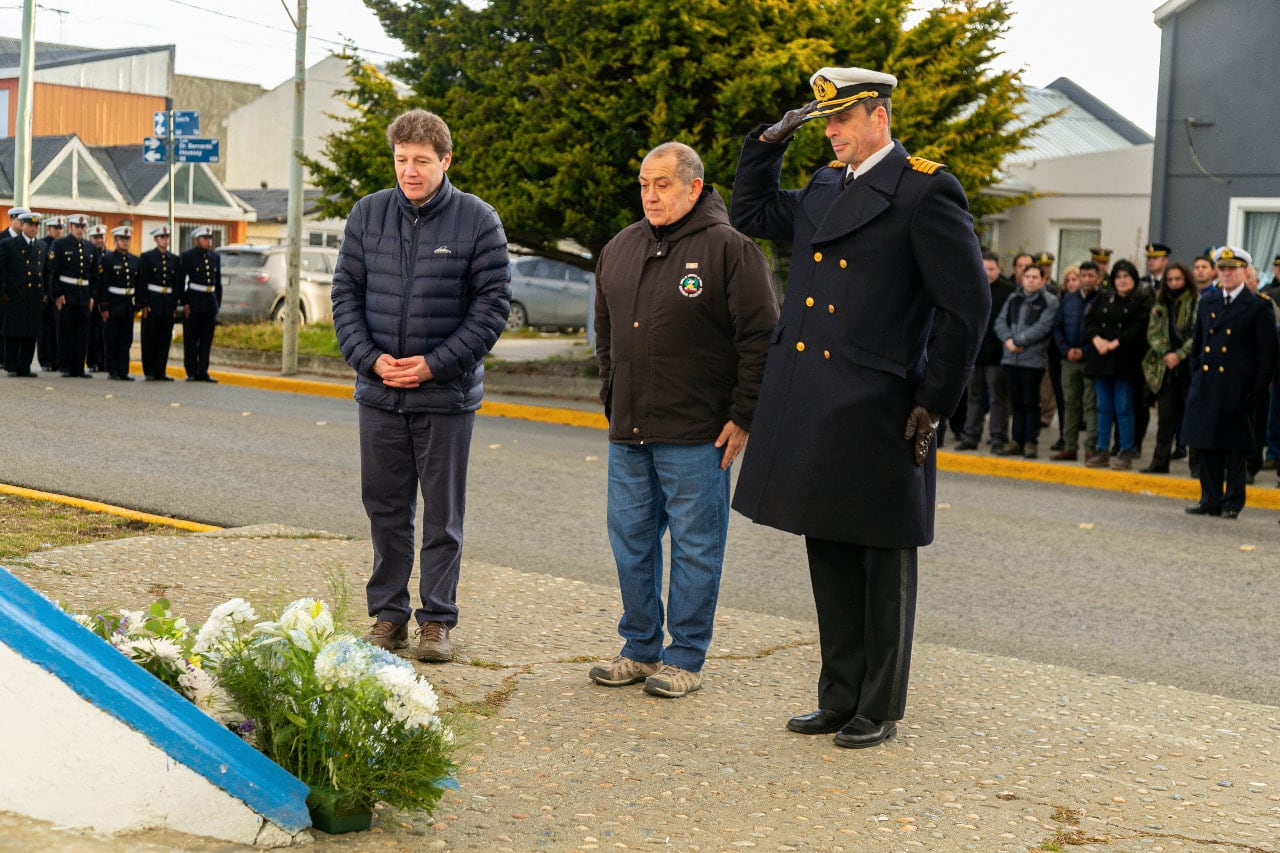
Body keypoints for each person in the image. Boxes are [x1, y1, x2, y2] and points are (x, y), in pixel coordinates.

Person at [729, 66, 989, 749]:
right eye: (824, 122)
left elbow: (966, 308)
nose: (832, 133)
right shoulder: (822, 186)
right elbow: (749, 214)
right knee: (830, 551)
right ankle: (838, 695)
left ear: (878, 115)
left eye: (841, 120)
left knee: (882, 561)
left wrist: (934, 400)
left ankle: (878, 704)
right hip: (817, 400)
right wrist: (767, 143)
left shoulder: (926, 189)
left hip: (880, 401)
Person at [587, 142, 778, 699]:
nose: (651, 195)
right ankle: (640, 649)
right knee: (631, 544)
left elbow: (761, 340)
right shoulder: (620, 248)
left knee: (696, 548)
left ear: (694, 188)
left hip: (698, 435)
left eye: (663, 184)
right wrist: (611, 395)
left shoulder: (731, 250)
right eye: (645, 184)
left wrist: (743, 416)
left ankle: (685, 657)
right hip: (629, 432)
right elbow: (605, 333)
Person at [331, 109, 510, 663]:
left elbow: (491, 310)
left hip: (446, 396)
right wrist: (370, 361)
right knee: (385, 509)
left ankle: (436, 620)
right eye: (402, 160)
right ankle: (388, 615)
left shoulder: (479, 222)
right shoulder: (367, 215)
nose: (410, 171)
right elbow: (345, 296)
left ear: (445, 161)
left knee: (442, 514)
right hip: (379, 393)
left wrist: (433, 365)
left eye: (422, 161)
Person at [1183, 246, 1279, 518]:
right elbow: (1198, 346)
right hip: (1208, 385)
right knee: (1206, 444)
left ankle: (1232, 502)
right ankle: (1209, 499)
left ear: (1244, 271)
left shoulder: (1257, 306)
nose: (1226, 274)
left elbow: (1267, 355)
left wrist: (1256, 391)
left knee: (1235, 448)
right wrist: (1197, 379)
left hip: (1238, 388)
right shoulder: (1208, 302)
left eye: (1232, 269)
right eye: (1222, 269)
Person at [1084, 259, 1152, 470]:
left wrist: (1113, 343)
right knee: (1103, 407)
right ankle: (1102, 449)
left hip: (1126, 361)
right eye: (1118, 277)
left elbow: (1138, 329)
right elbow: (1090, 321)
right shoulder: (1104, 297)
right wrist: (1097, 340)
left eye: (1127, 277)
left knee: (1123, 407)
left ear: (1134, 279)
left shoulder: (1141, 301)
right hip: (1101, 359)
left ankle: (1125, 451)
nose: (1122, 281)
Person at [994, 265, 1058, 458]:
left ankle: (1031, 442)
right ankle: (1016, 440)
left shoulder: (1049, 301)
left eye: (1034, 277)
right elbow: (1000, 322)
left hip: (1032, 361)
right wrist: (1008, 340)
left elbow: (1043, 327)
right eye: (1027, 276)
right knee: (1016, 402)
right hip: (1010, 358)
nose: (1030, 280)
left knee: (1030, 402)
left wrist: (1018, 341)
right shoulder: (1015, 298)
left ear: (1043, 280)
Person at [1139, 261, 1197, 473]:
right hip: (1166, 367)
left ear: (1186, 280)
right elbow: (1153, 333)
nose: (1174, 283)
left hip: (1188, 367)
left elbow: (1197, 335)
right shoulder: (1160, 303)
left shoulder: (1195, 302)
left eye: (1178, 279)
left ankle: (1196, 466)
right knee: (1165, 418)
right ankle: (1159, 462)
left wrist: (1180, 354)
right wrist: (1167, 353)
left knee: (1192, 417)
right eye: (1170, 279)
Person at [959, 250, 1014, 451]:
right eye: (984, 269)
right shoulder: (972, 288)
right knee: (973, 396)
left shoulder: (1009, 290)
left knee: (997, 398)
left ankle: (998, 437)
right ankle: (971, 436)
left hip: (998, 355)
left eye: (991, 269)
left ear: (999, 269)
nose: (987, 273)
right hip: (974, 354)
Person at [48, 213, 95, 378]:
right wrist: (58, 294)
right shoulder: (60, 244)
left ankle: (78, 368)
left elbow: (94, 275)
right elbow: (53, 272)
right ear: (70, 227)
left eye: (83, 227)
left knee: (82, 333)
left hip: (83, 295)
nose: (80, 230)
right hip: (67, 294)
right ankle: (65, 366)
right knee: (66, 331)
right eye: (77, 227)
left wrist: (92, 296)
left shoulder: (90, 247)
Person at [1, 211, 46, 377]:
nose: (33, 228)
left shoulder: (41, 246)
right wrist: (3, 291)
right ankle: (11, 366)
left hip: (34, 296)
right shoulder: (9, 244)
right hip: (15, 294)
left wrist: (45, 293)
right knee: (13, 331)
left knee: (31, 331)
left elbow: (45, 272)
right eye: (30, 225)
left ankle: (24, 367)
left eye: (36, 225)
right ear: (22, 225)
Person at [93, 225, 140, 381]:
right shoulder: (107, 260)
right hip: (113, 304)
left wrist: (136, 305)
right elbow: (103, 285)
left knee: (126, 339)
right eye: (122, 239)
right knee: (111, 338)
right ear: (115, 241)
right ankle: (112, 370)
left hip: (127, 304)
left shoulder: (134, 260)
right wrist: (104, 307)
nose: (125, 242)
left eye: (127, 239)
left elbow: (137, 284)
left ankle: (123, 371)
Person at [138, 225, 183, 381]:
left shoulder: (175, 260)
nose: (165, 240)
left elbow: (177, 284)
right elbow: (142, 282)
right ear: (156, 239)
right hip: (152, 301)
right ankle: (149, 370)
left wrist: (174, 305)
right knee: (150, 337)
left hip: (167, 302)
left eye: (167, 237)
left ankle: (160, 371)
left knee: (164, 338)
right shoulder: (146, 257)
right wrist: (143, 303)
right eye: (162, 237)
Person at [181, 225, 221, 383]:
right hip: (194, 300)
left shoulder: (215, 257)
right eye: (205, 238)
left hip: (209, 302)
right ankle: (191, 371)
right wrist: (184, 302)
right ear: (197, 240)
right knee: (191, 339)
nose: (208, 241)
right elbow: (182, 281)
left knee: (206, 339)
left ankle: (203, 371)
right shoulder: (188, 256)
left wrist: (217, 303)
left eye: (210, 238)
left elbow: (218, 282)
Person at [36, 215, 63, 371]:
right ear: (48, 229)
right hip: (46, 292)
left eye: (60, 228)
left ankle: (57, 360)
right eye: (55, 228)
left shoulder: (62, 245)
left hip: (58, 291)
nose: (59, 231)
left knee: (58, 328)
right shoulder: (43, 244)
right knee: (45, 329)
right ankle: (45, 360)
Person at [86, 224, 107, 373]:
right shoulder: (87, 255)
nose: (99, 240)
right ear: (90, 238)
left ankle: (105, 362)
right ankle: (93, 362)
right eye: (95, 237)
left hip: (107, 300)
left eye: (101, 237)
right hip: (92, 298)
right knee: (92, 333)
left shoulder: (111, 255)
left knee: (106, 333)